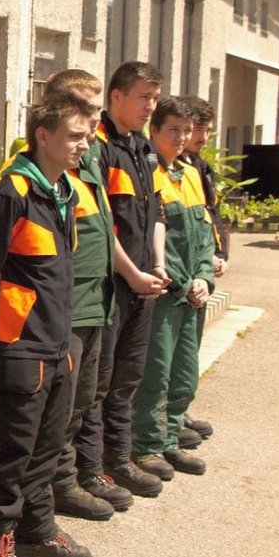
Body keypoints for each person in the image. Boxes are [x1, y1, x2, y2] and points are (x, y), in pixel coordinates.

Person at [0, 94, 96, 557]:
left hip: (59, 340)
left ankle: (36, 530)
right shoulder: (13, 191)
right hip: (21, 345)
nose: (84, 145)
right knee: (11, 450)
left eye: (87, 136)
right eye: (75, 136)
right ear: (43, 136)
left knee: (48, 446)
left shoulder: (64, 190)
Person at [41, 70, 134, 522]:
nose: (97, 120)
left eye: (97, 112)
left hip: (98, 301)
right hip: (67, 309)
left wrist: (133, 274)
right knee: (60, 408)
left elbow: (104, 231)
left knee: (88, 397)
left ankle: (77, 475)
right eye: (88, 110)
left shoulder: (89, 161)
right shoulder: (43, 172)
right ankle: (57, 486)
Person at [94, 61, 169, 497]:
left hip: (144, 282)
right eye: (144, 97)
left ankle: (118, 459)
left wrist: (157, 266)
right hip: (113, 286)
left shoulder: (143, 149)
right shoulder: (99, 147)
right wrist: (133, 274)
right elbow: (101, 226)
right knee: (100, 382)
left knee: (127, 378)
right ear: (117, 96)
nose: (150, 106)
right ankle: (92, 467)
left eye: (155, 98)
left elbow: (155, 212)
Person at [131, 97, 217, 478]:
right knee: (157, 374)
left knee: (185, 373)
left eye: (187, 130)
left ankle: (170, 440)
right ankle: (147, 446)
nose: (181, 138)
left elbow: (203, 235)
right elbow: (157, 238)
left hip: (192, 293)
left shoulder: (191, 173)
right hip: (167, 293)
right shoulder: (148, 174)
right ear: (154, 131)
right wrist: (184, 281)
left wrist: (204, 277)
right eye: (173, 131)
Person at [178, 95, 225, 448]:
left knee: (189, 350)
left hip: (201, 269)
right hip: (178, 276)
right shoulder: (167, 167)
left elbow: (211, 216)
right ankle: (167, 420)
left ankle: (178, 412)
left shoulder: (201, 168)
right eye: (197, 130)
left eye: (206, 131)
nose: (201, 137)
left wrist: (218, 254)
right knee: (172, 355)